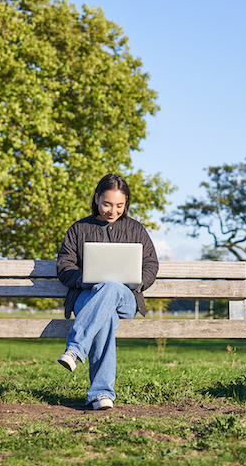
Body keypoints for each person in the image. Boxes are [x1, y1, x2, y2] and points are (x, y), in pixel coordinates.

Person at [56, 173, 159, 410]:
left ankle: (75, 349)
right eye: (107, 204)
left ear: (126, 203)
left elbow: (151, 264)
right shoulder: (78, 229)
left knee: (111, 286)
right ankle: (101, 395)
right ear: (96, 198)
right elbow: (64, 266)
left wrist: (138, 281)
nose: (112, 211)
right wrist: (84, 278)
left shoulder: (136, 229)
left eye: (119, 206)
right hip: (87, 297)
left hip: (125, 298)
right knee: (107, 318)